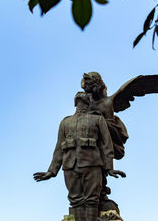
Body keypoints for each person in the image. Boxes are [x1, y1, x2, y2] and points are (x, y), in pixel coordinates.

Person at [33, 92, 125, 221]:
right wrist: (51, 171)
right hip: (71, 166)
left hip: (91, 165)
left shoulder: (97, 119)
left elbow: (106, 145)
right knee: (77, 200)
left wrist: (109, 167)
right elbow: (59, 148)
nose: (81, 106)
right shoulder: (65, 122)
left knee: (91, 200)